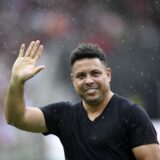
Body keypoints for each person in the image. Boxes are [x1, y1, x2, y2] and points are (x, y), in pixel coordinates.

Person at [4, 40, 160, 160]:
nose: (88, 80)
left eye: (95, 73)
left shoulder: (132, 114)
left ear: (108, 74)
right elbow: (17, 118)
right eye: (81, 76)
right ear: (73, 80)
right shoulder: (64, 115)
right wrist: (16, 82)